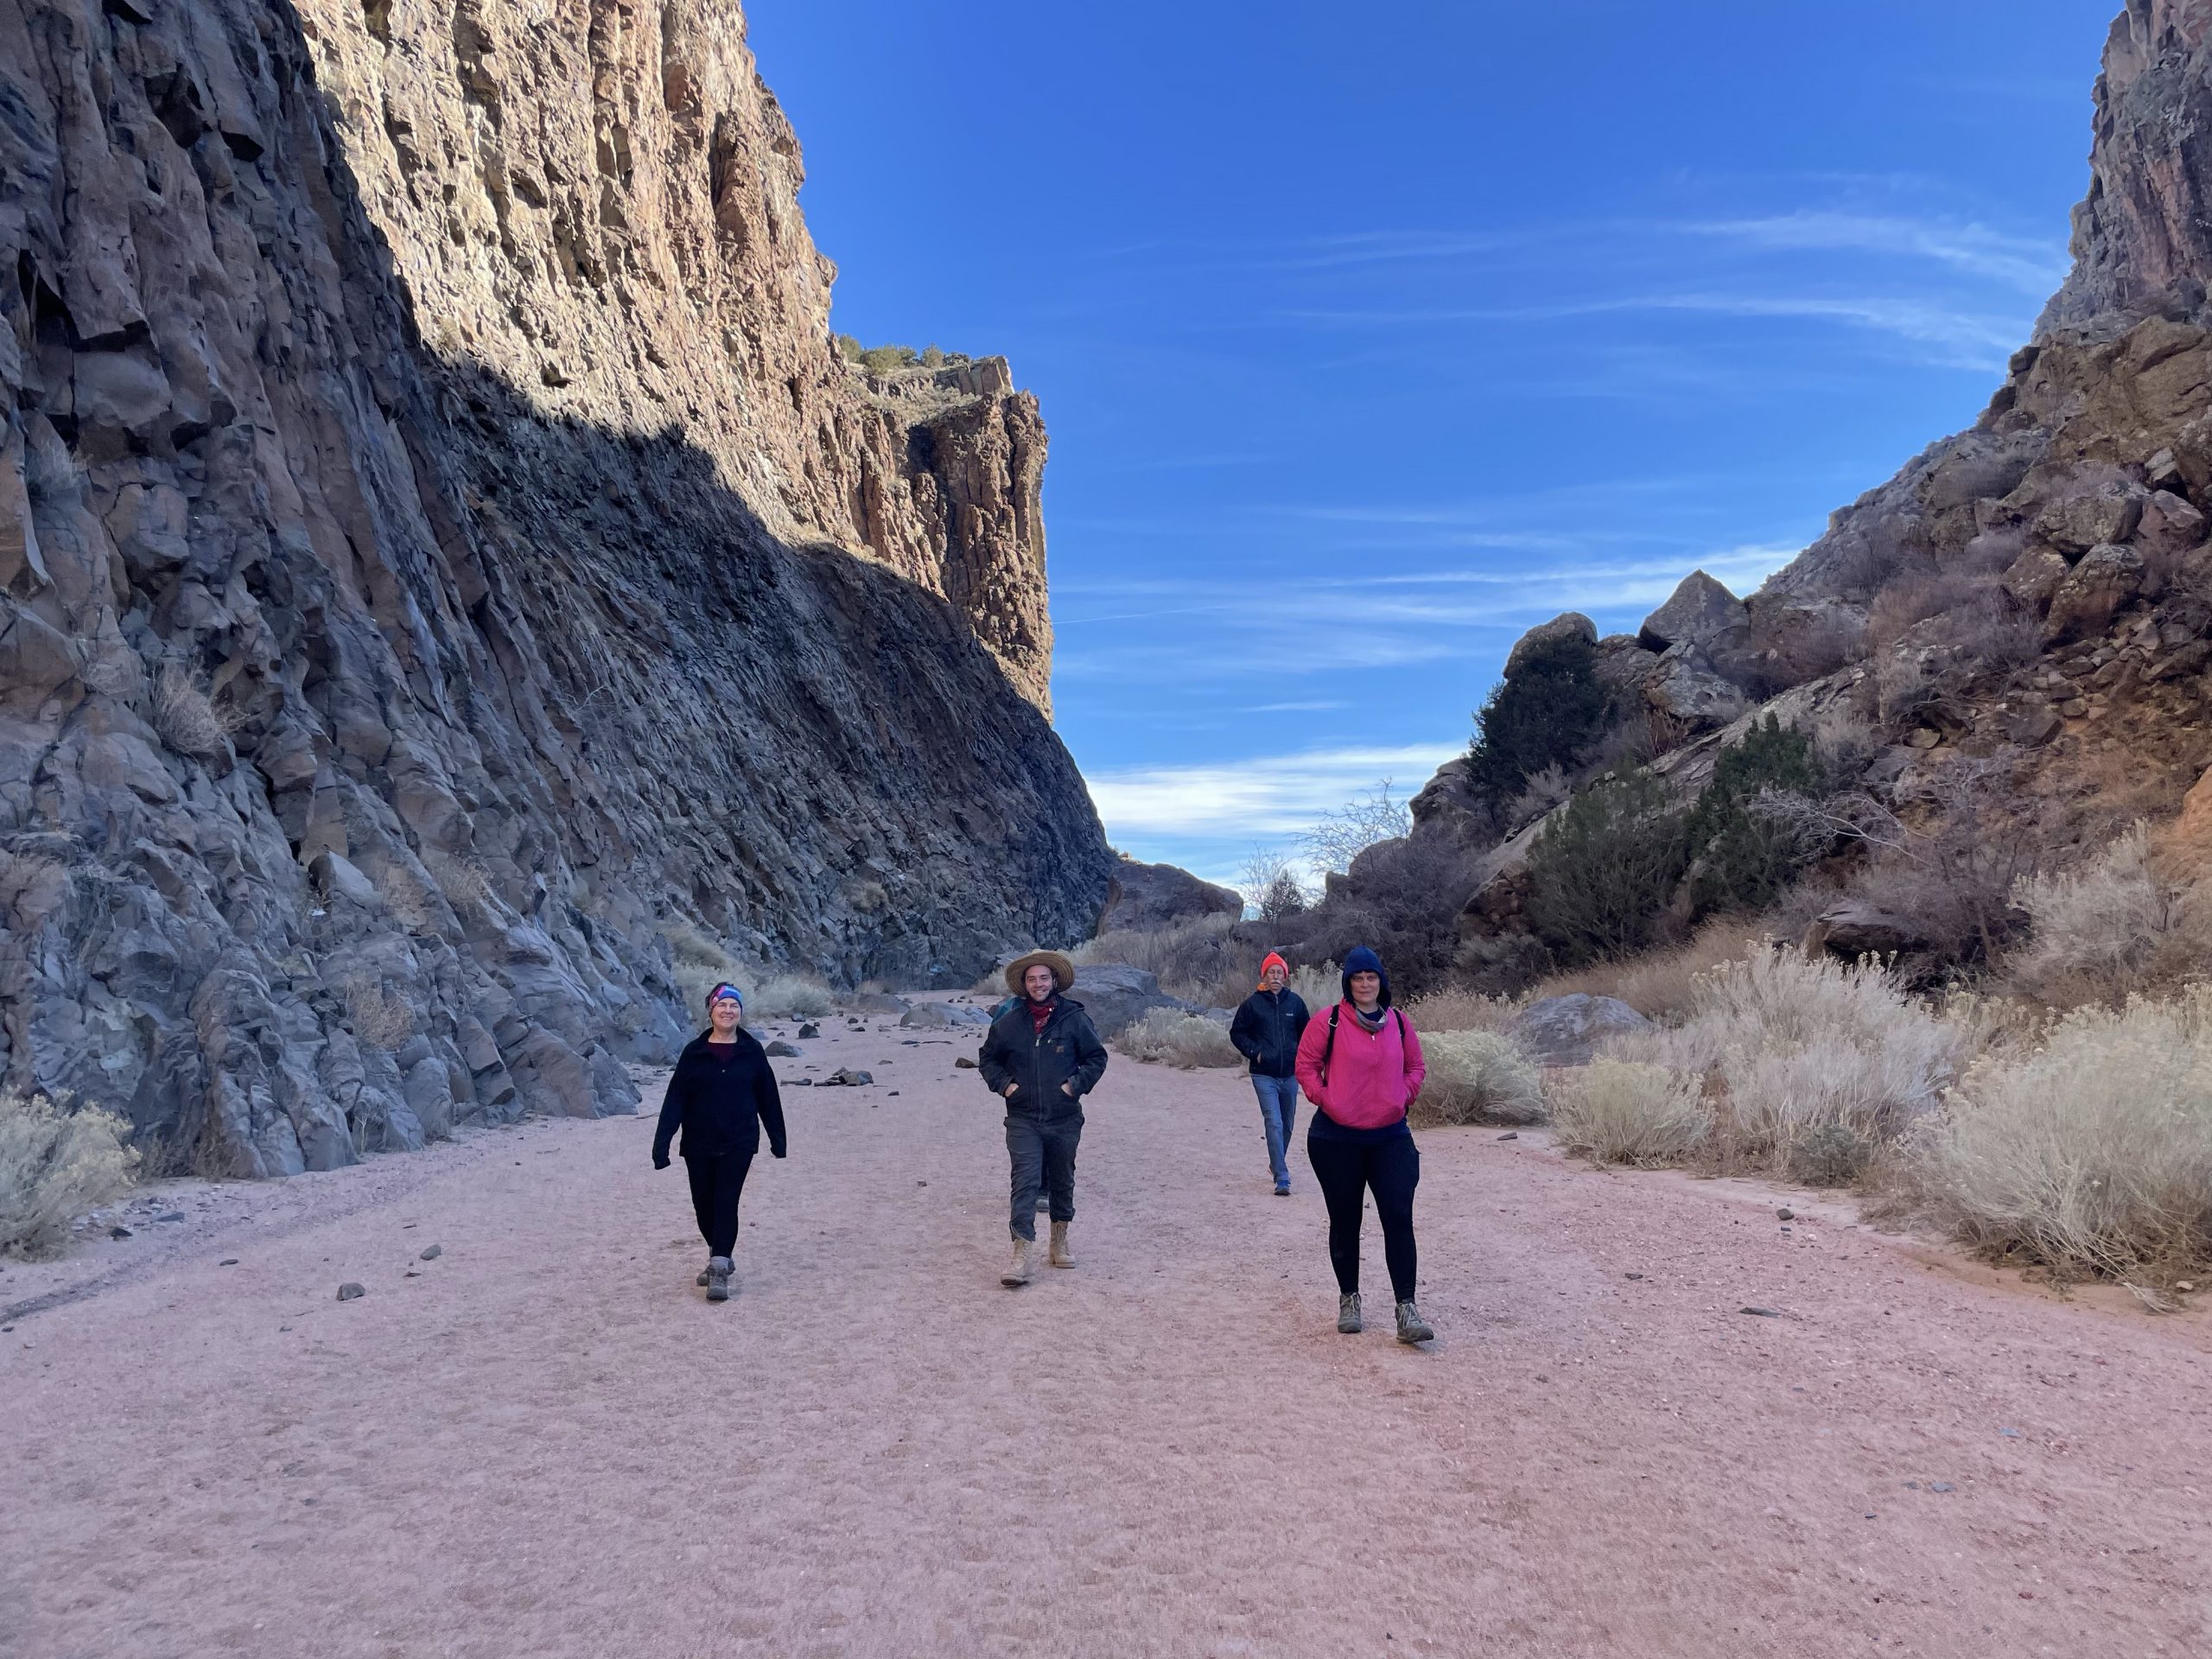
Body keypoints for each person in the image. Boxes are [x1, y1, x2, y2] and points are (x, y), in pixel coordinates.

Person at [1294, 945, 1435, 1344]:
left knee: (1398, 1219)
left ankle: (1406, 1309)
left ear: (1381, 981)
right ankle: (1349, 1300)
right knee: (1345, 1221)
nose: (1364, 984)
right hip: (1336, 1138)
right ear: (1348, 983)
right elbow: (1305, 1065)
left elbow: (1416, 1066)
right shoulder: (1329, 1021)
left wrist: (1403, 1096)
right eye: (1357, 978)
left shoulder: (1399, 1023)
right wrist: (1327, 1099)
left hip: (1390, 1137)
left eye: (1371, 977)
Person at [976, 950, 1108, 1287]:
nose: (1038, 984)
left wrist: (1073, 1086)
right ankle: (1021, 1255)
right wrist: (1006, 1086)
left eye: (1044, 978)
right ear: (1024, 984)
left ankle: (1059, 1242)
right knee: (1025, 1181)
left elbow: (1096, 1057)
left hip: (1064, 1117)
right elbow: (988, 1059)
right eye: (1032, 979)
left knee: (1062, 1179)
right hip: (1022, 1117)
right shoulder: (1008, 1023)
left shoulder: (1074, 1019)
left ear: (1054, 981)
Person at [652, 982, 787, 1303]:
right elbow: (675, 1099)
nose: (728, 1011)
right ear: (711, 1010)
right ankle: (720, 1253)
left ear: (740, 1012)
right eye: (722, 1005)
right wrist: (662, 1144)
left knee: (726, 1201)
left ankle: (719, 1268)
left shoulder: (752, 1052)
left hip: (740, 1140)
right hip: (698, 1142)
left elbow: (768, 1097)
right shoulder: (694, 1053)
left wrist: (777, 1140)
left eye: (734, 1006)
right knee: (703, 1206)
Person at [1230, 951, 1310, 1195]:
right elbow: (1237, 1033)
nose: (1275, 976)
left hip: (1290, 1074)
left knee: (1287, 1125)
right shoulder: (1252, 1004)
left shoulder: (1295, 1003)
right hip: (1264, 1074)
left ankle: (1276, 1162)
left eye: (1279, 972)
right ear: (1264, 975)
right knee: (1273, 1122)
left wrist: (1303, 1059)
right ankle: (1282, 1177)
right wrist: (1255, 1052)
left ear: (1285, 976)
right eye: (1271, 972)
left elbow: (1308, 1034)